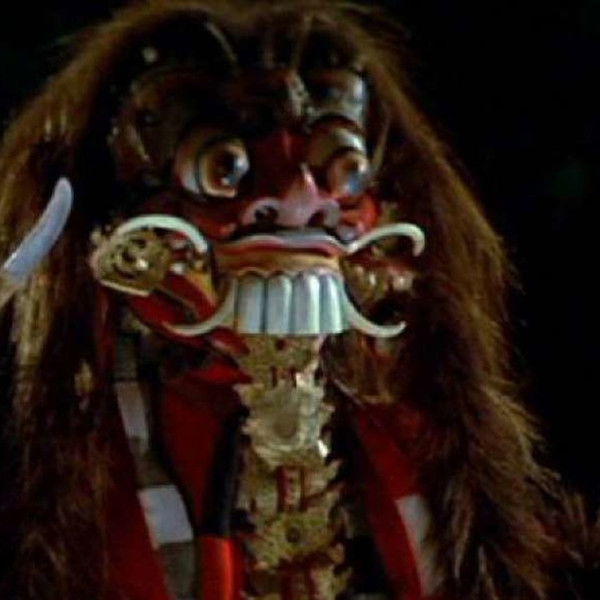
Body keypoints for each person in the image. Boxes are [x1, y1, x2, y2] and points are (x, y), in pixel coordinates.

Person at [0, 2, 553, 599]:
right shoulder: (57, 437)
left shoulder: (430, 422)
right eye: (223, 170)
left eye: (341, 170)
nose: (296, 199)